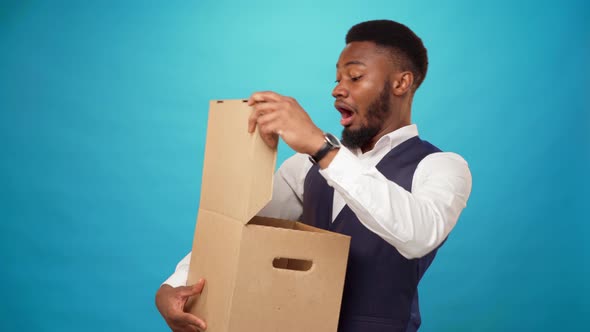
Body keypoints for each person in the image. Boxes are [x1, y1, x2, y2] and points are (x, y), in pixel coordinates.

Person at [155, 19, 472, 332]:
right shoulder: (304, 167)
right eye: (337, 78)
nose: (337, 89)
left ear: (401, 84)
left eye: (355, 76)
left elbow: (420, 236)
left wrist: (322, 148)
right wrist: (175, 284)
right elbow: (240, 228)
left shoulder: (442, 165)